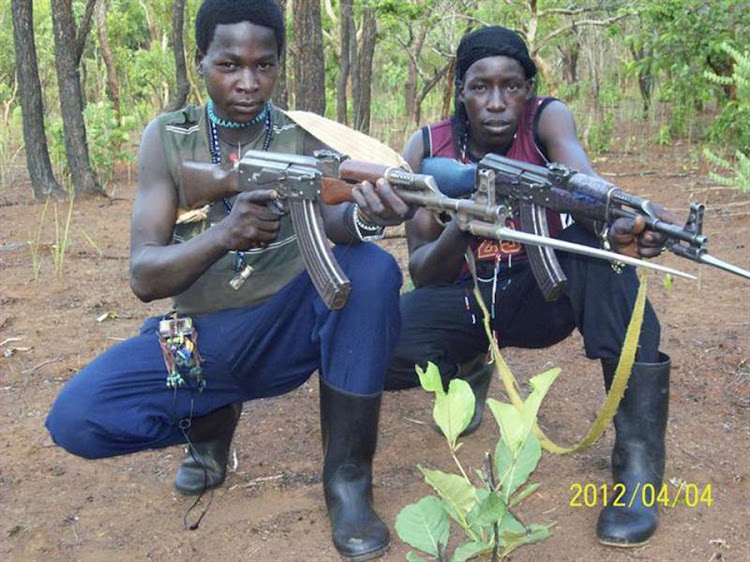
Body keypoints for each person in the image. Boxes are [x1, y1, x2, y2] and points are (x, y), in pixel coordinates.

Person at [45, 1, 411, 559]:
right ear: (200, 63)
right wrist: (223, 235)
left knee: (374, 269)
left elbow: (334, 219)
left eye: (264, 66)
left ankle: (347, 482)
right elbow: (143, 276)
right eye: (229, 65)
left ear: (280, 66)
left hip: (287, 327)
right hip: (202, 337)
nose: (248, 82)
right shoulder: (169, 137)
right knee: (76, 419)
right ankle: (210, 419)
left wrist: (369, 215)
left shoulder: (304, 134)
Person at [384, 26, 672, 548]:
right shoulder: (428, 146)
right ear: (460, 89)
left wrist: (622, 224)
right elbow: (423, 271)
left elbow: (584, 182)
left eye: (511, 87)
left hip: (548, 292)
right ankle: (471, 365)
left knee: (606, 262)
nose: (497, 103)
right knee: (382, 347)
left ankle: (638, 464)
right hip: (471, 300)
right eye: (480, 88)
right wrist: (463, 223)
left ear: (528, 89)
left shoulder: (547, 119)